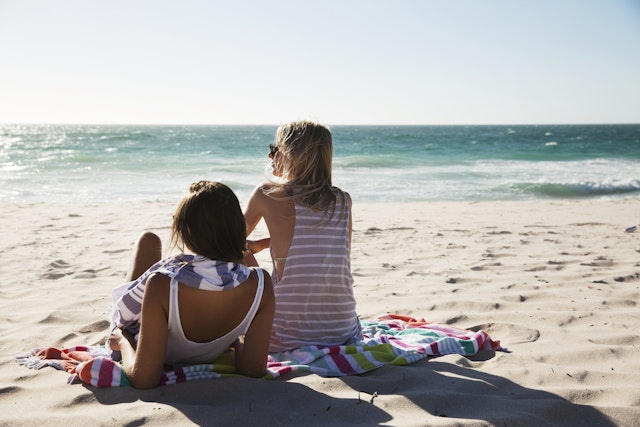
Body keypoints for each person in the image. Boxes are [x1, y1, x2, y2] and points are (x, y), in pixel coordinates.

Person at [108, 181, 275, 389]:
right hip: (216, 322)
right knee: (150, 242)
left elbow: (144, 379)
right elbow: (254, 369)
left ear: (187, 230)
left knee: (147, 240)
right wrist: (235, 336)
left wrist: (123, 341)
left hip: (142, 325)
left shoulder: (161, 284)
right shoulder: (261, 284)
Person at [244, 120, 361, 352]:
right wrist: (263, 243)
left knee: (234, 250)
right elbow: (329, 248)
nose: (270, 157)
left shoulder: (267, 194)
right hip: (343, 331)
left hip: (284, 334)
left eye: (274, 149)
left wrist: (249, 252)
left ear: (288, 154)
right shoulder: (343, 200)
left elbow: (224, 240)